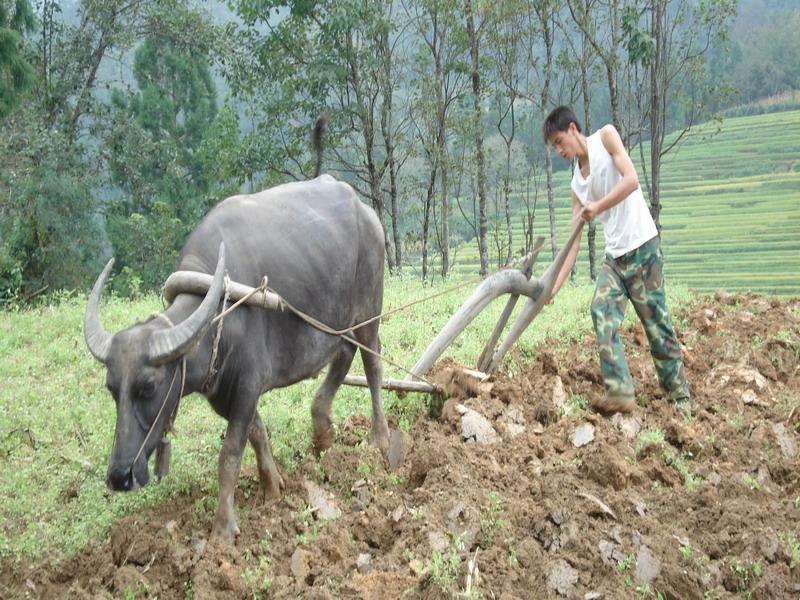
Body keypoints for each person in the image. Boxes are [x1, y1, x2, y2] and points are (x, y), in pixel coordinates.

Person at [542, 105, 691, 415]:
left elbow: (632, 179)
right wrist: (552, 288)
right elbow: (573, 243)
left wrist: (597, 206)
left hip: (643, 248)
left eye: (559, 142)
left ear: (573, 129)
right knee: (601, 310)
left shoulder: (605, 138)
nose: (559, 150)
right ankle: (620, 393)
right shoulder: (576, 186)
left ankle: (679, 398)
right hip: (615, 259)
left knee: (656, 324)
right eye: (554, 147)